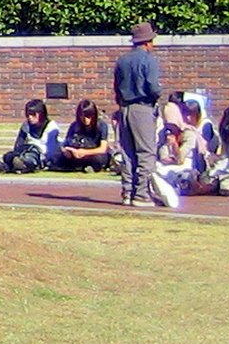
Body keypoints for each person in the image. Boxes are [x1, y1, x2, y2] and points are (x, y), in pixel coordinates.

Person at [113, 22, 167, 209]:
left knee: (128, 152)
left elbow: (116, 87)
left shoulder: (122, 61)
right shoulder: (149, 60)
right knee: (146, 152)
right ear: (148, 41)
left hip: (124, 108)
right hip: (142, 107)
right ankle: (142, 194)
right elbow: (153, 86)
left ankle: (127, 192)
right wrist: (158, 94)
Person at [0, 98, 60, 174]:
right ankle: (10, 164)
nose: (30, 117)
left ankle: (23, 165)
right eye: (28, 114)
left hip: (40, 154)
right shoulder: (26, 126)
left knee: (31, 157)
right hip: (26, 150)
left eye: (33, 114)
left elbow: (50, 151)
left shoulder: (51, 127)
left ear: (41, 114)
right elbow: (18, 144)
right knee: (10, 155)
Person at [53, 99, 113, 172]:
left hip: (92, 153)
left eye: (88, 116)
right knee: (59, 156)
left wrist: (84, 152)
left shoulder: (101, 125)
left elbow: (103, 149)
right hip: (76, 153)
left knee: (98, 159)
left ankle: (87, 167)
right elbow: (66, 143)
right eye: (83, 116)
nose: (85, 119)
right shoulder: (74, 125)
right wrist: (67, 151)